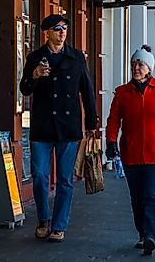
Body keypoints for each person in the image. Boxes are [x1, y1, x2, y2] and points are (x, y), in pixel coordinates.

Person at [18, 14, 98, 242]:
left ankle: (59, 225)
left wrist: (91, 122)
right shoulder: (35, 57)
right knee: (40, 175)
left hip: (68, 126)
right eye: (57, 29)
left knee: (65, 179)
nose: (62, 32)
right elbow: (24, 89)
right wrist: (33, 76)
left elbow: (87, 91)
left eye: (64, 28)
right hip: (42, 126)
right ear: (47, 33)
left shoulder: (76, 58)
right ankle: (44, 219)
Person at [105, 45, 155, 256]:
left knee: (151, 195)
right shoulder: (122, 92)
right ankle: (141, 232)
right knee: (136, 196)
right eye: (133, 64)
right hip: (131, 152)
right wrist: (111, 142)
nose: (136, 68)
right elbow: (113, 121)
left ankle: (150, 235)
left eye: (140, 64)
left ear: (149, 68)